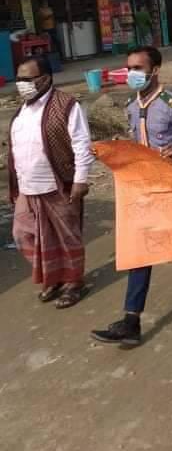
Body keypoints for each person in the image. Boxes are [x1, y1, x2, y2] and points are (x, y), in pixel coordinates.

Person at [91, 46, 172, 346]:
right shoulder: (131, 105)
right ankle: (131, 320)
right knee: (139, 247)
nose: (132, 74)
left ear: (154, 70)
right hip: (143, 183)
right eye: (129, 68)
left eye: (138, 69)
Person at [9, 55, 92, 308]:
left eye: (27, 79)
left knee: (67, 238)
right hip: (27, 186)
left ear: (45, 79)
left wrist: (80, 180)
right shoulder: (22, 110)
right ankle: (54, 277)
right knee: (23, 234)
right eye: (19, 79)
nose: (21, 84)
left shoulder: (67, 105)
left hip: (58, 184)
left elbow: (81, 143)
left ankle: (73, 283)